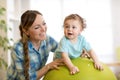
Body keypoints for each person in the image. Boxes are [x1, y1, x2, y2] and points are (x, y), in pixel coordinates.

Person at [7, 10, 63, 80]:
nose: (43, 29)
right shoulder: (18, 49)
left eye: (44, 23)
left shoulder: (48, 40)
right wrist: (48, 66)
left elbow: (63, 51)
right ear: (26, 31)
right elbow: (26, 78)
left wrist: (80, 51)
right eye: (37, 27)